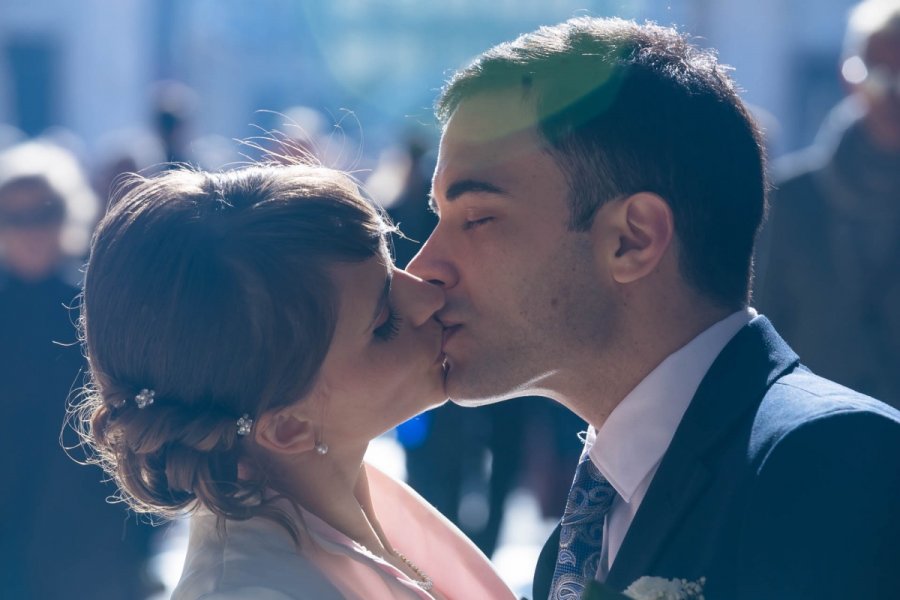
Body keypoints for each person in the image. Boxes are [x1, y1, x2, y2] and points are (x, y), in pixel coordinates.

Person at [407, 16, 900, 600]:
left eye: (478, 218)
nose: (423, 268)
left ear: (633, 238)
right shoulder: (574, 544)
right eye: (438, 217)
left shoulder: (830, 464)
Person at [70, 162, 515, 600]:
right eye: (384, 323)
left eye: (391, 268)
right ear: (288, 427)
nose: (428, 295)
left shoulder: (349, 506)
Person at [0, 140, 154, 599]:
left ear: (69, 215)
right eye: (14, 217)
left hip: (87, 523)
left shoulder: (97, 304)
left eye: (42, 213)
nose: (30, 231)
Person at [756, 0, 900, 407]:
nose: (890, 90)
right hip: (813, 444)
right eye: (875, 71)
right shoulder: (788, 202)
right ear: (846, 75)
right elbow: (759, 341)